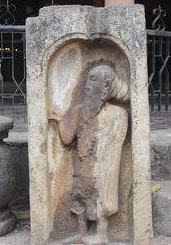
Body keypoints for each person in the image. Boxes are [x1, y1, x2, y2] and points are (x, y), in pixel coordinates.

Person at [49, 60, 129, 244]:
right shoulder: (79, 110)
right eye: (88, 79)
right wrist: (59, 121)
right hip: (82, 166)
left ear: (105, 86)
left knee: (99, 199)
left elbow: (116, 143)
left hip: (102, 167)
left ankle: (101, 234)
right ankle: (82, 233)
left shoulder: (117, 114)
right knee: (80, 199)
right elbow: (68, 139)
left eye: (93, 80)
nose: (87, 84)